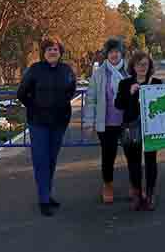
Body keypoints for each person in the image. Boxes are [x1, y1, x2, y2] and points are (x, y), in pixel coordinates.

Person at [16, 38, 76, 217]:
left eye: (55, 49)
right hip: (39, 123)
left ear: (60, 52)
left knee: (51, 160)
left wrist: (63, 106)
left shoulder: (66, 70)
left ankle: (47, 194)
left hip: (59, 122)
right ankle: (43, 200)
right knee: (41, 161)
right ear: (43, 52)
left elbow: (71, 90)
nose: (52, 52)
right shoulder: (35, 70)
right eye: (49, 49)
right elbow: (22, 93)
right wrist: (34, 107)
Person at [83, 38, 130, 204]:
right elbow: (91, 100)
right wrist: (89, 123)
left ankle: (135, 185)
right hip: (107, 123)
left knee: (132, 155)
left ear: (121, 53)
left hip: (127, 123)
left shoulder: (129, 71)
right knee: (108, 156)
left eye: (117, 51)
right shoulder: (99, 73)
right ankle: (108, 185)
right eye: (111, 52)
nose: (114, 55)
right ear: (106, 55)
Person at [115, 51, 162, 211]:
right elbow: (119, 105)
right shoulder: (125, 83)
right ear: (133, 66)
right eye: (139, 64)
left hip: (152, 128)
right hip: (131, 127)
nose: (142, 67)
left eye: (145, 64)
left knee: (150, 161)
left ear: (149, 67)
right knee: (133, 162)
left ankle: (150, 195)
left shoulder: (156, 82)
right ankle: (137, 194)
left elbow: (163, 106)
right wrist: (130, 93)